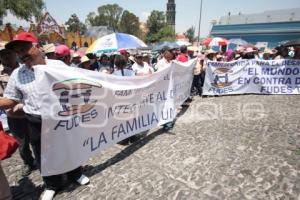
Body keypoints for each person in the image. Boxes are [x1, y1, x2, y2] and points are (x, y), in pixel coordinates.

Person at [3, 33, 90, 200]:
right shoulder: (17, 74)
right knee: (43, 153)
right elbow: (11, 99)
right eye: (18, 52)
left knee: (68, 146)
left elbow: (77, 84)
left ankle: (75, 174)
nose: (22, 54)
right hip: (35, 120)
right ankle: (52, 184)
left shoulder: (58, 65)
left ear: (37, 46)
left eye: (25, 48)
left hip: (62, 117)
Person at [0, 47, 37, 177]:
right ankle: (29, 163)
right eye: (2, 55)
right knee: (23, 144)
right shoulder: (0, 75)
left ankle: (45, 162)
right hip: (14, 116)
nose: (5, 57)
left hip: (32, 113)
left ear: (14, 54)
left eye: (8, 54)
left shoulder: (27, 68)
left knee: (38, 140)